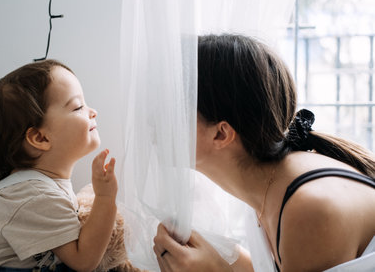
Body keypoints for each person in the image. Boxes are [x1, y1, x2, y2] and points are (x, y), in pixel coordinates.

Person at [153, 34, 375, 272]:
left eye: (175, 106)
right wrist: (226, 262)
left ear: (221, 134)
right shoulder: (272, 184)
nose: (153, 119)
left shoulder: (308, 210)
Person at [0, 59, 118, 272]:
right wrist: (105, 198)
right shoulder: (32, 195)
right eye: (78, 106)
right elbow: (84, 261)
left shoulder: (43, 188)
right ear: (40, 138)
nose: (92, 111)